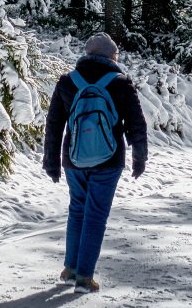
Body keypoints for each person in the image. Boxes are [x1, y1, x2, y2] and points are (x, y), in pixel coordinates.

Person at [43, 32, 148, 294]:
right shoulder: (121, 83)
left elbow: (54, 124)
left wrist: (51, 162)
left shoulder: (68, 82)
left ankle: (70, 269)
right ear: (111, 56)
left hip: (74, 159)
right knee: (96, 215)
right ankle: (85, 277)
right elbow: (137, 124)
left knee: (77, 210)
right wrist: (139, 157)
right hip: (109, 160)